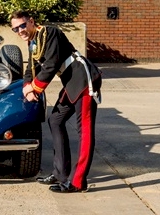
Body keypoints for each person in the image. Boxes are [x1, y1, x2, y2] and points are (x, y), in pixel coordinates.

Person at [10, 10, 102, 193]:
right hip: (70, 82)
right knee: (55, 120)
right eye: (15, 29)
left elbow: (51, 64)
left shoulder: (50, 33)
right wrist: (26, 86)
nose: (20, 30)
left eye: (22, 25)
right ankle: (60, 173)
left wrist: (35, 88)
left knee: (85, 132)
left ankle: (77, 182)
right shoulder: (33, 42)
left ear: (31, 22)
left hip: (83, 79)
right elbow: (32, 68)